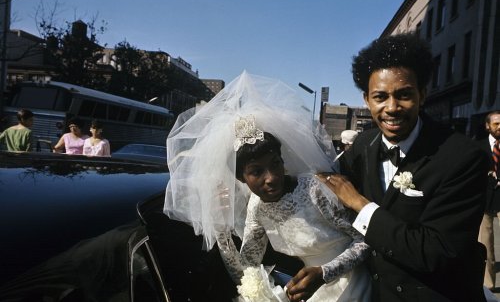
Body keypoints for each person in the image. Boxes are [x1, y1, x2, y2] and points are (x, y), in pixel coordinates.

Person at [164, 71, 371, 302]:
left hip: (351, 284)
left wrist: (324, 273)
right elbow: (246, 270)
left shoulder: (314, 188)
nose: (271, 177)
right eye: (256, 172)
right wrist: (221, 228)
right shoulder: (257, 208)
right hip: (311, 289)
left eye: (275, 164)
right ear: (241, 179)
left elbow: (364, 240)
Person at [317, 33, 490, 301]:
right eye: (380, 97)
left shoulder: (464, 157)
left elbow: (436, 252)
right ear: (366, 100)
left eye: (404, 95)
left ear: (422, 94)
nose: (392, 108)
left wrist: (360, 204)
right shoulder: (363, 144)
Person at [478, 110, 500, 291]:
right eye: (496, 124)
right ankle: (489, 283)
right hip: (484, 199)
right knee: (486, 243)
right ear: (488, 126)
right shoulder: (478, 147)